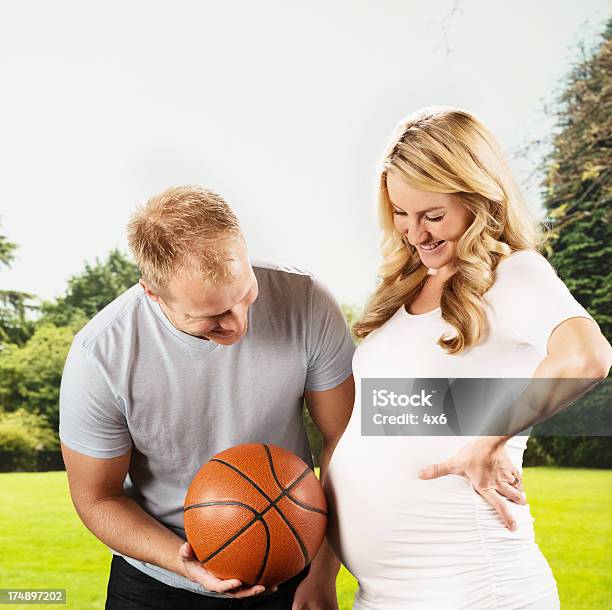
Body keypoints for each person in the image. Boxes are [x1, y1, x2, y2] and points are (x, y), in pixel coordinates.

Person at [324, 107, 612, 609]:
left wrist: (489, 437)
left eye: (433, 215)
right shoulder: (403, 290)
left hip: (473, 586)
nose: (417, 234)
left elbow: (586, 356)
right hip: (384, 595)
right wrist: (321, 570)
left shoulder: (513, 274)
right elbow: (358, 438)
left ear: (478, 198)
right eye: (401, 214)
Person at [59, 185, 355, 609]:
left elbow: (344, 437)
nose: (237, 324)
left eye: (245, 296)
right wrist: (183, 564)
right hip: (156, 581)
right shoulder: (100, 357)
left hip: (291, 565)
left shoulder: (307, 302)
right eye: (212, 317)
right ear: (152, 293)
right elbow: (97, 498)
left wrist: (323, 573)